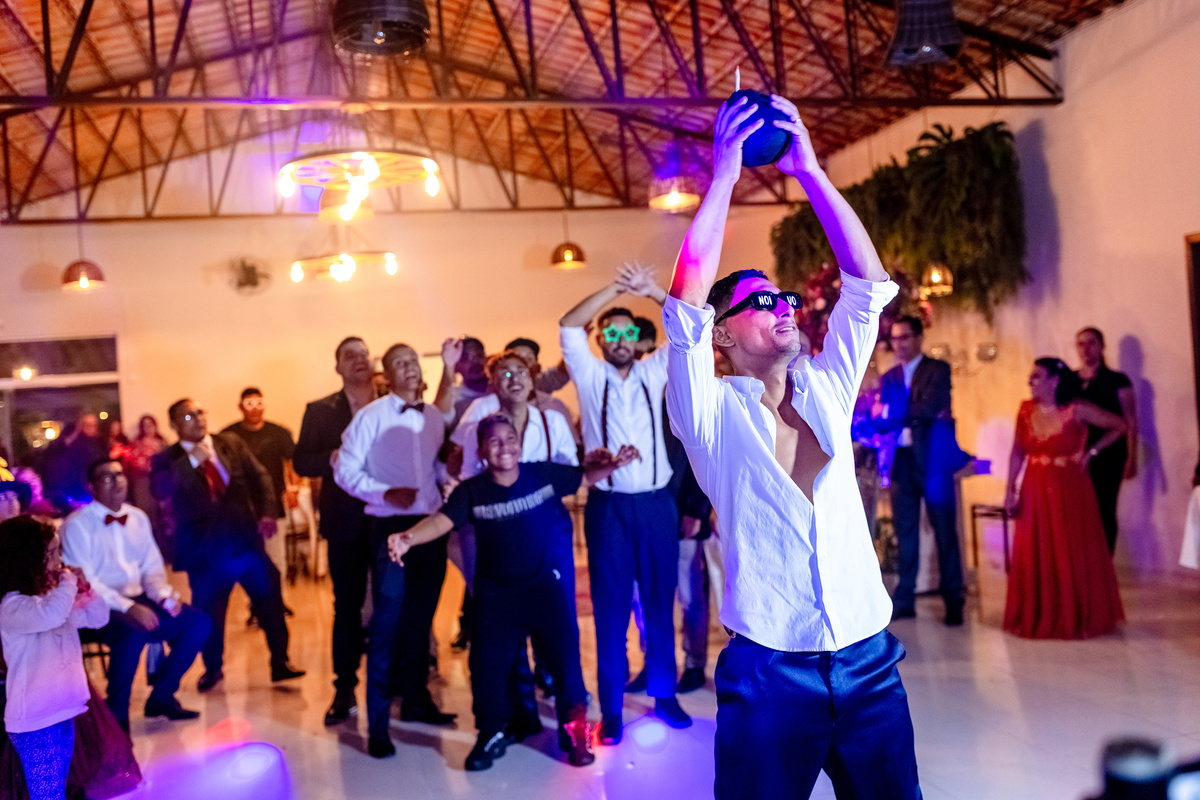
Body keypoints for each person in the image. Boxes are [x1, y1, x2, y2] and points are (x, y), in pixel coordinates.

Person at [663, 94, 922, 799]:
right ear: (722, 333)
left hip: (869, 660)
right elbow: (684, 306)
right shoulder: (710, 413)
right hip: (770, 671)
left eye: (784, 298)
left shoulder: (827, 388)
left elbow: (867, 288)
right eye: (760, 302)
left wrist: (810, 171)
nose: (782, 306)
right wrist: (724, 175)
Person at [390, 415, 640, 771]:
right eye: (494, 441)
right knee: (486, 669)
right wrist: (408, 538)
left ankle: (575, 733)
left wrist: (614, 464)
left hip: (546, 591)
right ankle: (491, 732)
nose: (504, 447)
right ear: (482, 451)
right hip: (497, 597)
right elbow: (442, 521)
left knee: (566, 664)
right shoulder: (471, 491)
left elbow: (583, 477)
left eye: (510, 438)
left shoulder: (542, 474)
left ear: (519, 444)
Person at [560, 261, 689, 742]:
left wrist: (651, 290)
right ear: (600, 340)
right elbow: (568, 324)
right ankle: (611, 708)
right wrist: (614, 289)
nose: (618, 338)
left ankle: (664, 694)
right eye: (610, 332)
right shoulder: (590, 376)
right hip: (608, 508)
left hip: (656, 505)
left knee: (660, 604)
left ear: (638, 340)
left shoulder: (655, 370)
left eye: (627, 332)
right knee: (610, 610)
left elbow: (687, 324)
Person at [334, 339, 461, 758]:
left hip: (430, 526)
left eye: (413, 361)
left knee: (420, 621)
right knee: (386, 624)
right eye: (399, 363)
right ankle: (377, 725)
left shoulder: (433, 417)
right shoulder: (370, 416)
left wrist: (447, 469)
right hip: (390, 526)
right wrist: (385, 492)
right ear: (386, 376)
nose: (409, 367)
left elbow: (432, 467)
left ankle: (417, 701)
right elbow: (344, 469)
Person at [150, 399, 304, 692]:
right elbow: (160, 490)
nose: (198, 419)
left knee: (270, 600)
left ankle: (281, 662)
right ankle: (213, 668)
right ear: (173, 425)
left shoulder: (229, 443)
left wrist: (268, 512)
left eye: (200, 412)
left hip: (246, 544)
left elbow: (261, 477)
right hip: (205, 554)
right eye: (189, 416)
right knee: (210, 612)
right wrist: (192, 459)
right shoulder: (166, 459)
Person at [61, 459, 210, 731]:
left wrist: (162, 596)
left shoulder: (138, 517)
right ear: (91, 487)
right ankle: (116, 717)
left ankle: (161, 697)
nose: (117, 481)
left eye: (120, 475)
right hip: (94, 605)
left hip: (137, 597)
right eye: (107, 477)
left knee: (197, 623)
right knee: (131, 633)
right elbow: (86, 583)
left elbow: (152, 567)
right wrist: (129, 607)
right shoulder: (76, 525)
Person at [1003, 357, 1127, 639]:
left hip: (1070, 488)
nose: (1030, 381)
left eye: (1037, 376)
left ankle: (1075, 614)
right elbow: (1017, 452)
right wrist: (1010, 490)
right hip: (1035, 487)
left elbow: (1119, 425)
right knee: (1036, 548)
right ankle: (1038, 614)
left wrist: (1092, 452)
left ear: (1054, 381)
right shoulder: (1025, 410)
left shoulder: (1076, 409)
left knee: (1068, 549)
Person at [293, 336, 377, 726]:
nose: (359, 359)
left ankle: (400, 680)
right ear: (338, 367)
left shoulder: (391, 400)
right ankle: (344, 688)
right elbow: (302, 462)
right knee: (347, 607)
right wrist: (332, 456)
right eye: (350, 355)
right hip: (345, 521)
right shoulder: (320, 410)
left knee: (394, 602)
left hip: (392, 517)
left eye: (364, 353)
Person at [1, 515, 109, 800]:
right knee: (47, 795)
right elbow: (52, 615)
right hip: (35, 722)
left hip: (63, 710)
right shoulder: (11, 606)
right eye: (50, 554)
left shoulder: (54, 598)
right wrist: (68, 583)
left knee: (56, 790)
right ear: (27, 560)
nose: (58, 561)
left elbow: (98, 618)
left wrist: (86, 588)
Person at [873, 316, 968, 625]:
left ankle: (953, 598)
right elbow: (891, 417)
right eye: (894, 338)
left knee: (944, 530)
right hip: (901, 460)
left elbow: (927, 407)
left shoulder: (937, 369)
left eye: (904, 337)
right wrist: (896, 417)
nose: (898, 344)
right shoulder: (889, 377)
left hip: (933, 461)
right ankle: (905, 598)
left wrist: (892, 416)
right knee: (905, 531)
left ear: (918, 338)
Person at [221, 387, 297, 578]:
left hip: (273, 501)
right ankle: (255, 595)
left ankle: (278, 595)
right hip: (242, 504)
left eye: (259, 403)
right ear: (240, 406)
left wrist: (293, 488)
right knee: (248, 555)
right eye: (249, 404)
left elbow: (292, 462)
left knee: (276, 553)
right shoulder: (229, 435)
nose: (254, 408)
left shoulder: (278, 432)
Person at [1075, 327, 1138, 554]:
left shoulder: (1117, 380)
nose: (1086, 349)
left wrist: (1131, 457)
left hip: (1109, 454)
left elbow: (1130, 421)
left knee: (1104, 509)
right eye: (1080, 344)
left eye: (1091, 343)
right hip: (1077, 456)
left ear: (1102, 347)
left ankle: (1105, 561)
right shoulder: (1070, 380)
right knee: (1080, 512)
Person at [42, 413, 107, 513]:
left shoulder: (99, 443)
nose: (91, 428)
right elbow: (72, 471)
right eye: (87, 425)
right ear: (81, 426)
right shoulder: (77, 446)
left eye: (93, 425)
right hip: (82, 494)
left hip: (94, 492)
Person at [124, 415, 169, 559]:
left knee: (163, 517)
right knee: (145, 517)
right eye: (145, 425)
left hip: (160, 481)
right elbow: (132, 462)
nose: (148, 427)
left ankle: (163, 552)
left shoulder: (163, 442)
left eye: (151, 424)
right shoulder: (136, 443)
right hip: (142, 482)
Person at [452, 337, 490, 426]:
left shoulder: (501, 394)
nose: (475, 362)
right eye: (465, 358)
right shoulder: (453, 402)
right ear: (456, 367)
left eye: (479, 355)